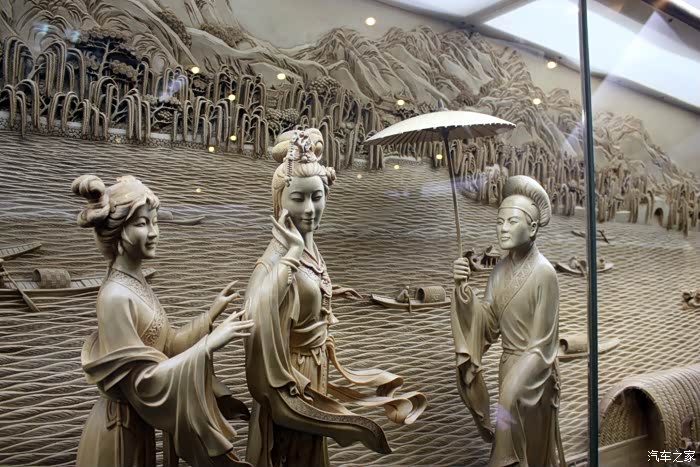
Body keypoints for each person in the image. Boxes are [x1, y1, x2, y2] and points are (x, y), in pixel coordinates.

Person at [243, 129, 427, 467]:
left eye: (317, 197)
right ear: (279, 201)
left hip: (316, 365)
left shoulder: (309, 247)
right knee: (292, 452)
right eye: (298, 198)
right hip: (293, 378)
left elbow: (303, 287)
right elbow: (255, 315)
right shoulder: (277, 258)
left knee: (311, 452)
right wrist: (291, 254)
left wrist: (328, 292)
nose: (310, 209)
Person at [72, 174, 253, 467]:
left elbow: (165, 348)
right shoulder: (115, 296)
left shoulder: (135, 282)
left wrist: (209, 317)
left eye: (155, 222)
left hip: (136, 427)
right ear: (118, 231)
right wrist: (208, 345)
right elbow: (143, 382)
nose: (154, 232)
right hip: (118, 433)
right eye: (142, 224)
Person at [451, 175, 565, 467]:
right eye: (499, 222)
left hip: (535, 373)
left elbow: (542, 346)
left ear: (533, 227)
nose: (503, 228)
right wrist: (464, 293)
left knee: (531, 444)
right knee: (508, 424)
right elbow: (488, 325)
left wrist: (513, 389)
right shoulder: (499, 271)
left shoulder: (544, 273)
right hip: (508, 367)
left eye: (512, 222)